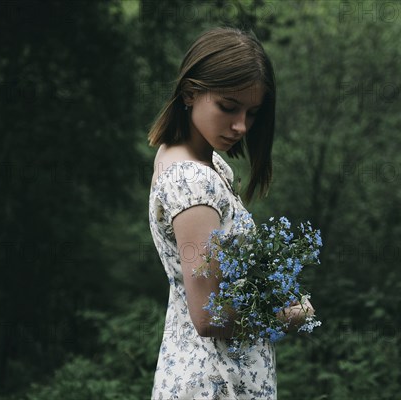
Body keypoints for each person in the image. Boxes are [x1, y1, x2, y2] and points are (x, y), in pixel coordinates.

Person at [147, 27, 314, 399]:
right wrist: (287, 315)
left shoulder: (194, 161)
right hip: (215, 383)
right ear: (190, 92)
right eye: (228, 106)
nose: (241, 126)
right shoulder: (192, 182)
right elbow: (209, 316)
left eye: (252, 112)